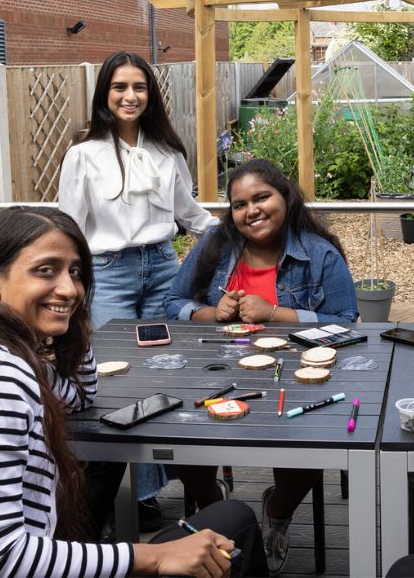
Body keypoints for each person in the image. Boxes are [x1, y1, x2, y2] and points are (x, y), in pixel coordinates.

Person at [0, 207, 267, 578]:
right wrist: (155, 555)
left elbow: (78, 394)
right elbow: (0, 558)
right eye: (46, 271)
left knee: (228, 521)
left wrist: (74, 320)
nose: (69, 288)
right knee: (235, 525)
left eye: (76, 273)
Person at [165, 159, 357, 575]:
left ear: (284, 197)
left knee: (311, 433)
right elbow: (174, 302)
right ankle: (216, 513)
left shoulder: (318, 252)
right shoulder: (216, 245)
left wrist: (276, 313)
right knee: (176, 425)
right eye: (239, 204)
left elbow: (348, 319)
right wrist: (210, 314)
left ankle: (278, 508)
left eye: (261, 197)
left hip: (296, 374)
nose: (251, 210)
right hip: (216, 369)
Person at [58, 50, 220, 525]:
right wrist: (69, 283)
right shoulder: (82, 155)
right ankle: (122, 494)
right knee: (115, 378)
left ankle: (150, 492)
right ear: (105, 95)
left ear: (151, 96)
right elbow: (69, 228)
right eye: (120, 87)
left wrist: (240, 235)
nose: (130, 96)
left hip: (164, 267)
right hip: (107, 271)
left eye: (139, 87)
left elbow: (191, 216)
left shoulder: (167, 152)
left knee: (166, 374)